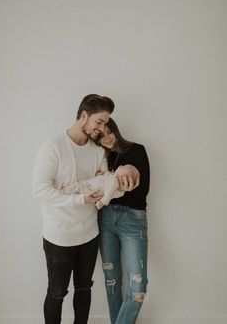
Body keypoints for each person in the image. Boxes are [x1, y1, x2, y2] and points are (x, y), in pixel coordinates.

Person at [33, 94, 119, 324]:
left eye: (106, 123)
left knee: (84, 289)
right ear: (83, 116)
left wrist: (92, 190)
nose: (102, 128)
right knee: (57, 292)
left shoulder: (98, 151)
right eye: (99, 122)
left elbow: (101, 184)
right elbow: (40, 190)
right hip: (59, 236)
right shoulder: (53, 147)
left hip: (89, 234)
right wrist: (79, 199)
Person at [97, 118, 150, 324]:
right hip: (105, 219)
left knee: (138, 287)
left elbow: (143, 190)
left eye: (109, 132)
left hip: (132, 220)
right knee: (112, 280)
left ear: (116, 130)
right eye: (100, 136)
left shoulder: (137, 150)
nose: (107, 138)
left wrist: (117, 185)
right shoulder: (100, 157)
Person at [57, 164, 140, 209]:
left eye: (126, 178)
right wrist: (102, 174)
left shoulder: (115, 180)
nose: (120, 177)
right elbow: (110, 188)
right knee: (78, 189)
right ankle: (65, 191)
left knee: (78, 186)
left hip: (91, 187)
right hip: (94, 190)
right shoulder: (113, 178)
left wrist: (103, 202)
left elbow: (109, 193)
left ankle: (64, 190)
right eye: (122, 173)